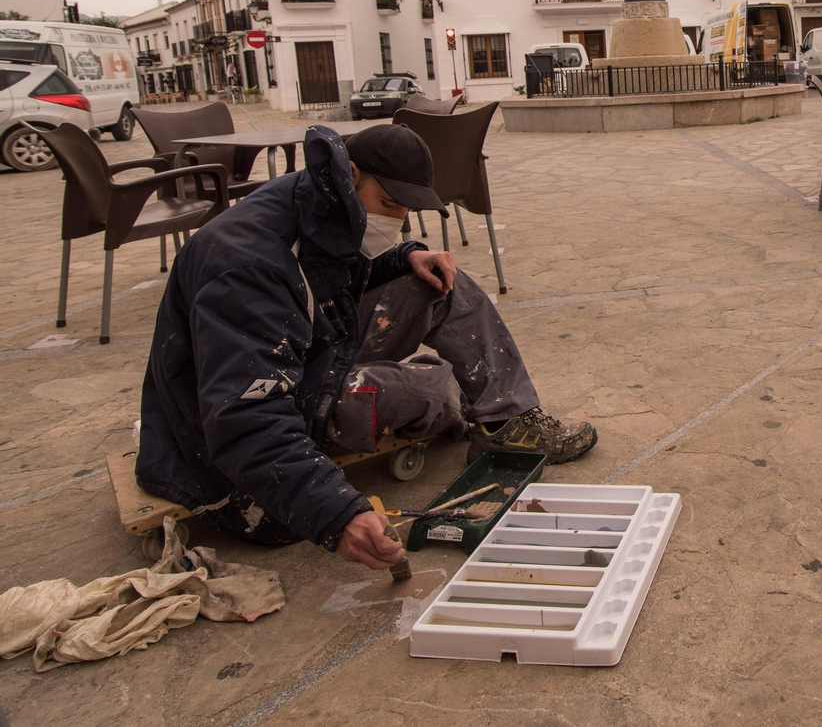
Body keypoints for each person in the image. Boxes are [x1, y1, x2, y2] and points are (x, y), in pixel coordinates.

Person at [137, 124, 597, 571]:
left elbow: (333, 277)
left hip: (310, 351)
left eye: (404, 211)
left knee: (441, 283)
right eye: (390, 204)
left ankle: (504, 421)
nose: (393, 221)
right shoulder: (248, 263)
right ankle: (423, 394)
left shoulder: (320, 199)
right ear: (350, 173)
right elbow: (244, 417)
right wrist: (339, 515)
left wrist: (404, 255)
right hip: (229, 428)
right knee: (431, 389)